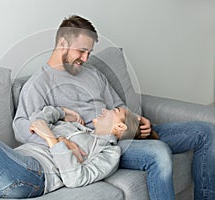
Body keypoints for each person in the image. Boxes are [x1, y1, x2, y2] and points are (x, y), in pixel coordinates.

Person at [13, 15, 215, 200]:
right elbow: (22, 126)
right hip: (102, 146)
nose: (85, 59)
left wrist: (136, 120)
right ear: (62, 43)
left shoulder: (92, 74)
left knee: (206, 131)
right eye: (82, 51)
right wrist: (58, 141)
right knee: (158, 153)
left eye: (89, 53)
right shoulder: (39, 84)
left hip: (125, 130)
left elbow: (118, 105)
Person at [0, 106, 137, 199]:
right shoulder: (78, 126)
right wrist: (62, 113)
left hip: (30, 176)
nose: (105, 110)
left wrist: (52, 139)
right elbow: (37, 122)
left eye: (114, 111)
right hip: (2, 169)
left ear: (120, 127)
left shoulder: (108, 152)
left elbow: (74, 178)